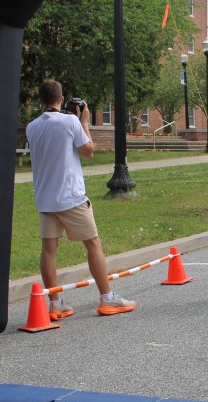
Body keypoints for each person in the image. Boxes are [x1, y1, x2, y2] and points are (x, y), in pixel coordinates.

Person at [25, 80, 137, 319]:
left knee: (48, 250)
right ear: (62, 99)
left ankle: (55, 303)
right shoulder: (70, 122)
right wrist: (84, 121)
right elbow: (88, 152)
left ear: (41, 101)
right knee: (93, 243)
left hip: (45, 197)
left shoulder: (32, 127)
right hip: (70, 197)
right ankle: (107, 298)